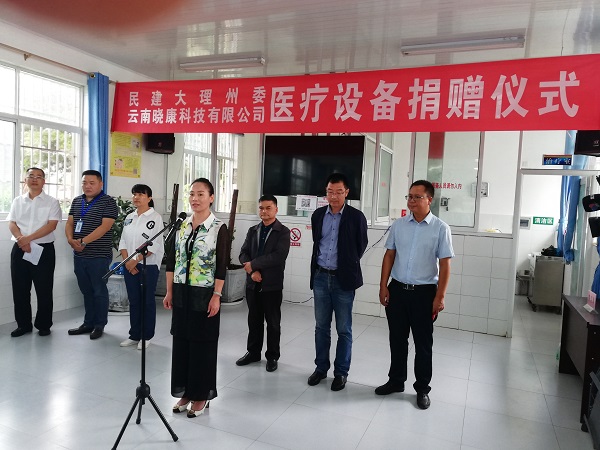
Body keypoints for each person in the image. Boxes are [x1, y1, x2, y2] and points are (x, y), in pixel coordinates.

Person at [376, 180, 454, 410]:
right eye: (409, 196)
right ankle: (396, 381)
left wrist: (440, 297)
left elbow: (445, 265)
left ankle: (422, 389)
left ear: (429, 199)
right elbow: (389, 255)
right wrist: (383, 286)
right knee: (397, 340)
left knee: (423, 344)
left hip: (424, 294)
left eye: (416, 197)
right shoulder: (399, 225)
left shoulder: (440, 228)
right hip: (398, 290)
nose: (411, 201)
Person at [163, 178, 228, 418]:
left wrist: (217, 295)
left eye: (201, 194)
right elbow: (172, 261)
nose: (195, 199)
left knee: (203, 345)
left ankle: (201, 395)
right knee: (182, 343)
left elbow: (221, 266)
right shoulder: (181, 226)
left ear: (211, 198)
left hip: (204, 295)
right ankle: (186, 392)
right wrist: (170, 291)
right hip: (181, 293)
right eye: (192, 194)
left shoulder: (218, 228)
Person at [307, 173, 368, 391]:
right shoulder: (318, 215)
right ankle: (321, 368)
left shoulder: (356, 217)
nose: (334, 196)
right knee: (321, 327)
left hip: (344, 280)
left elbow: (361, 246)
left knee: (344, 329)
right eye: (330, 192)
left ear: (347, 192)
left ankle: (341, 372)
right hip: (321, 277)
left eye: (339, 192)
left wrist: (346, 264)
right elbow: (317, 242)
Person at [236, 195, 291, 372]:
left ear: (276, 210)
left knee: (273, 323)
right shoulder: (253, 230)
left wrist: (254, 264)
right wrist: (252, 271)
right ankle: (253, 353)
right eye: (261, 208)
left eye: (268, 208)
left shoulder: (283, 232)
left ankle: (272, 356)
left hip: (272, 285)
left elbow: (278, 256)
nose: (264, 211)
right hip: (253, 283)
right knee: (254, 320)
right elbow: (243, 253)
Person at [7, 167, 62, 337]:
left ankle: (43, 325)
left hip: (43, 249)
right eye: (31, 176)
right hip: (19, 249)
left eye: (39, 177)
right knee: (20, 289)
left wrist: (27, 239)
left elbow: (51, 225)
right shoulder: (17, 201)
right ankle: (23, 325)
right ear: (26, 180)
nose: (34, 179)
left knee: (44, 289)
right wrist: (21, 240)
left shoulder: (52, 202)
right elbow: (12, 223)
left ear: (44, 181)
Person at [66, 170, 118, 340]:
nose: (87, 186)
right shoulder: (77, 201)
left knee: (98, 290)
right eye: (84, 182)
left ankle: (99, 325)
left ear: (101, 184)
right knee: (86, 290)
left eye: (92, 183)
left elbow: (105, 227)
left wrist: (83, 242)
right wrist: (70, 239)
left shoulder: (108, 202)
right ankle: (88, 323)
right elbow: (70, 223)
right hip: (79, 255)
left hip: (99, 256)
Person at [118, 184, 164, 350]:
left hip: (147, 266)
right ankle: (134, 334)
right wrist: (127, 262)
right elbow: (123, 241)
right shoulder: (130, 217)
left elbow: (153, 245)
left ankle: (146, 336)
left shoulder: (155, 218)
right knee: (134, 300)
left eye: (140, 194)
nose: (136, 197)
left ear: (149, 198)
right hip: (129, 265)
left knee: (147, 301)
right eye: (134, 194)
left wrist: (135, 260)